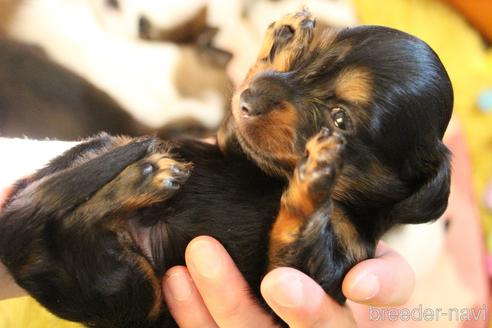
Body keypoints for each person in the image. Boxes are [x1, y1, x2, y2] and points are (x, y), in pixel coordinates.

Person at [0, 138, 414, 327]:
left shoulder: (353, 246)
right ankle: (91, 201)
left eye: (342, 119)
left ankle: (91, 210)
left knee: (127, 297)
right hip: (127, 195)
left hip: (111, 259)